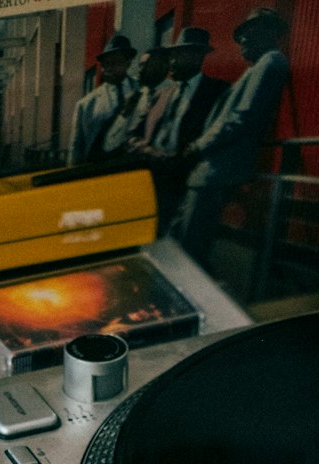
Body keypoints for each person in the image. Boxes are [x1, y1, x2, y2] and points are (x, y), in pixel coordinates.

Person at [169, 8, 290, 270]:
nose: (242, 39)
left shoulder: (271, 61)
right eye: (241, 34)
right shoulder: (257, 67)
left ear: (270, 32)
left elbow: (240, 117)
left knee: (190, 250)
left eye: (250, 31)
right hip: (207, 172)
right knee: (180, 241)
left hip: (215, 172)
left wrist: (197, 146)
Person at [133, 27, 228, 232]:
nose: (172, 62)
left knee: (181, 242)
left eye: (179, 55)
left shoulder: (217, 91)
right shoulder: (162, 94)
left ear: (198, 56)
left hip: (188, 181)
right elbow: (134, 135)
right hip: (155, 178)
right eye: (171, 55)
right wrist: (147, 151)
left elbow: (219, 136)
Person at [67, 34, 138, 165]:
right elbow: (76, 150)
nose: (109, 68)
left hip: (135, 172)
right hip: (100, 174)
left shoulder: (142, 92)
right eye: (106, 64)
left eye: (115, 62)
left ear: (128, 63)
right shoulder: (86, 104)